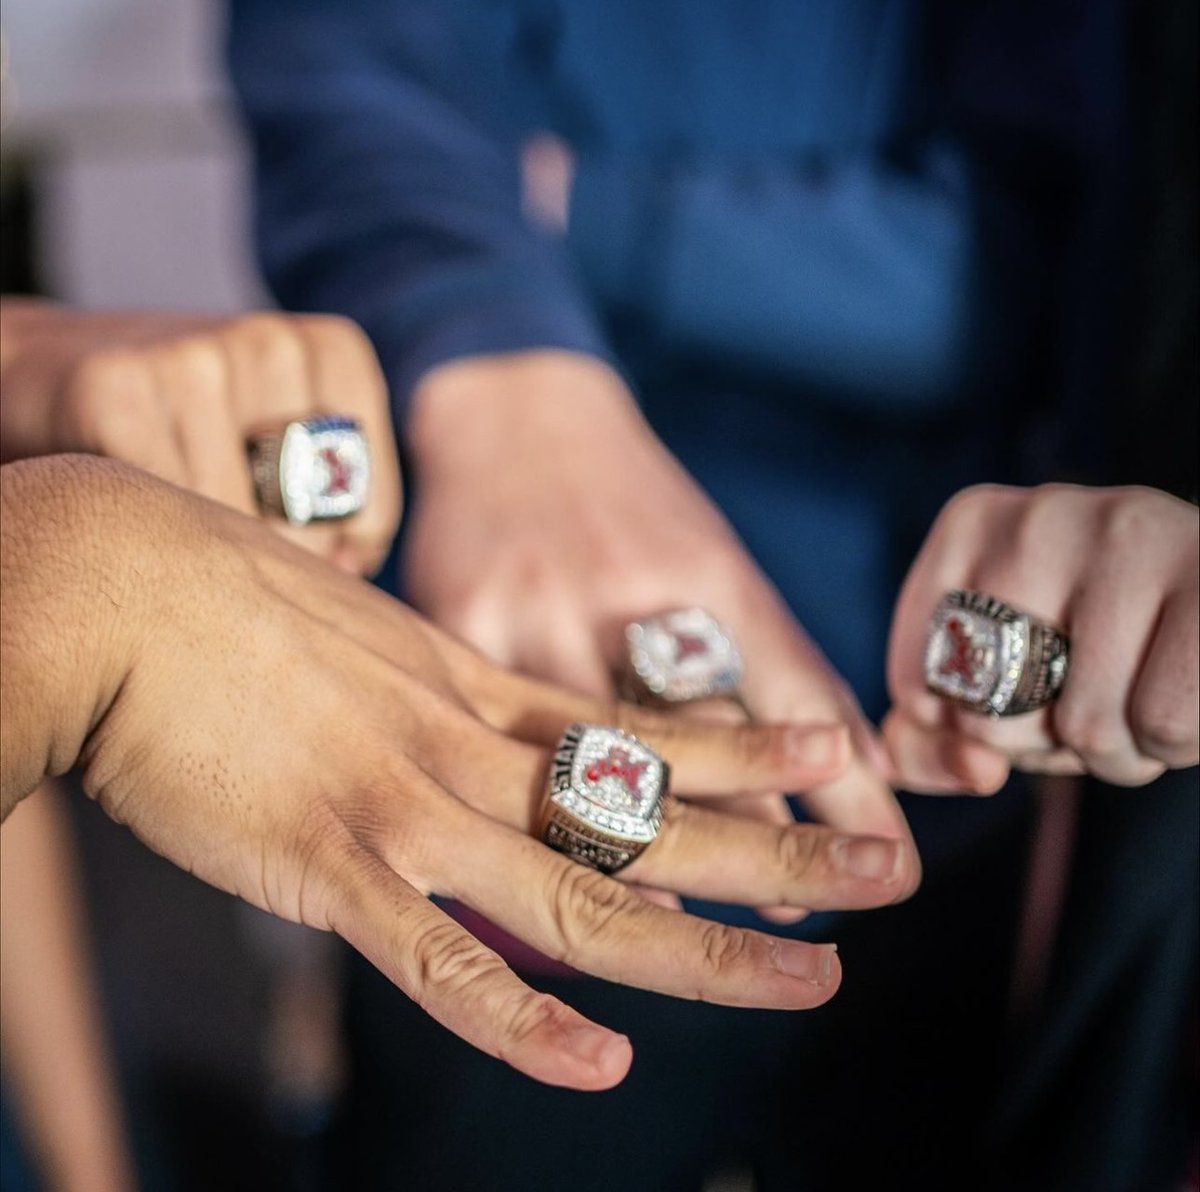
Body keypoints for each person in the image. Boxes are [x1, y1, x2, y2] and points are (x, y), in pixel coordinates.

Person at [228, 2, 1197, 1188]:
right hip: (519, 774)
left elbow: (994, 276)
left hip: (932, 807)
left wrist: (581, 208)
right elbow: (366, 110)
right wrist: (498, 358)